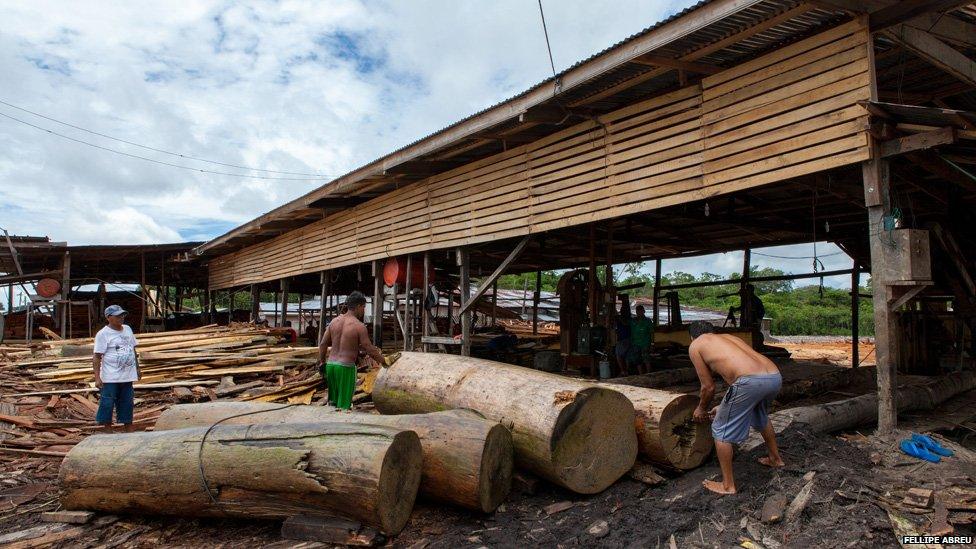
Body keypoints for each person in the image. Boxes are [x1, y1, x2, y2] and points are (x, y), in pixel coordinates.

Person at [688, 320, 783, 495]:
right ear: (712, 332)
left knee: (720, 428)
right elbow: (739, 379)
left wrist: (701, 408)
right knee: (759, 415)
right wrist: (724, 405)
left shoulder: (696, 345)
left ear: (692, 336)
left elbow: (708, 387)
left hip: (750, 381)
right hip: (774, 376)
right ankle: (775, 459)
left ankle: (728, 486)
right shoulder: (729, 338)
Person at [318, 291, 385, 410]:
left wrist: (322, 362)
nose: (364, 311)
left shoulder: (334, 322)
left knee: (332, 404)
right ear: (358, 306)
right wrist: (384, 361)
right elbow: (369, 348)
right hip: (345, 367)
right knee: (344, 406)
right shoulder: (359, 326)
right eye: (364, 307)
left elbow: (323, 344)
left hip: (331, 366)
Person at [93, 305, 141, 432]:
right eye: (118, 316)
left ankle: (128, 426)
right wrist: (97, 378)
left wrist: (138, 369)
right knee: (107, 403)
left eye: (122, 315)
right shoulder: (102, 334)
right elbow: (97, 357)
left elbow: (133, 349)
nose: (121, 318)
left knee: (127, 402)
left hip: (127, 375)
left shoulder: (128, 329)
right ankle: (107, 428)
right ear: (109, 317)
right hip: (110, 377)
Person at [630, 305, 654, 374]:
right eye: (638, 311)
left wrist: (652, 343)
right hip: (635, 343)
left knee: (646, 359)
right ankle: (641, 374)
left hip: (645, 344)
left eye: (641, 311)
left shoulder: (648, 321)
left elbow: (652, 333)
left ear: (644, 311)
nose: (639, 313)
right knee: (637, 360)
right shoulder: (633, 321)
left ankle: (649, 374)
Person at [613, 303, 632, 376]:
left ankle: (623, 371)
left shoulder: (624, 318)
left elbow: (625, 323)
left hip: (623, 339)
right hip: (627, 339)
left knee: (618, 355)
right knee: (625, 356)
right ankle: (625, 371)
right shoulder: (629, 317)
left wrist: (618, 317)